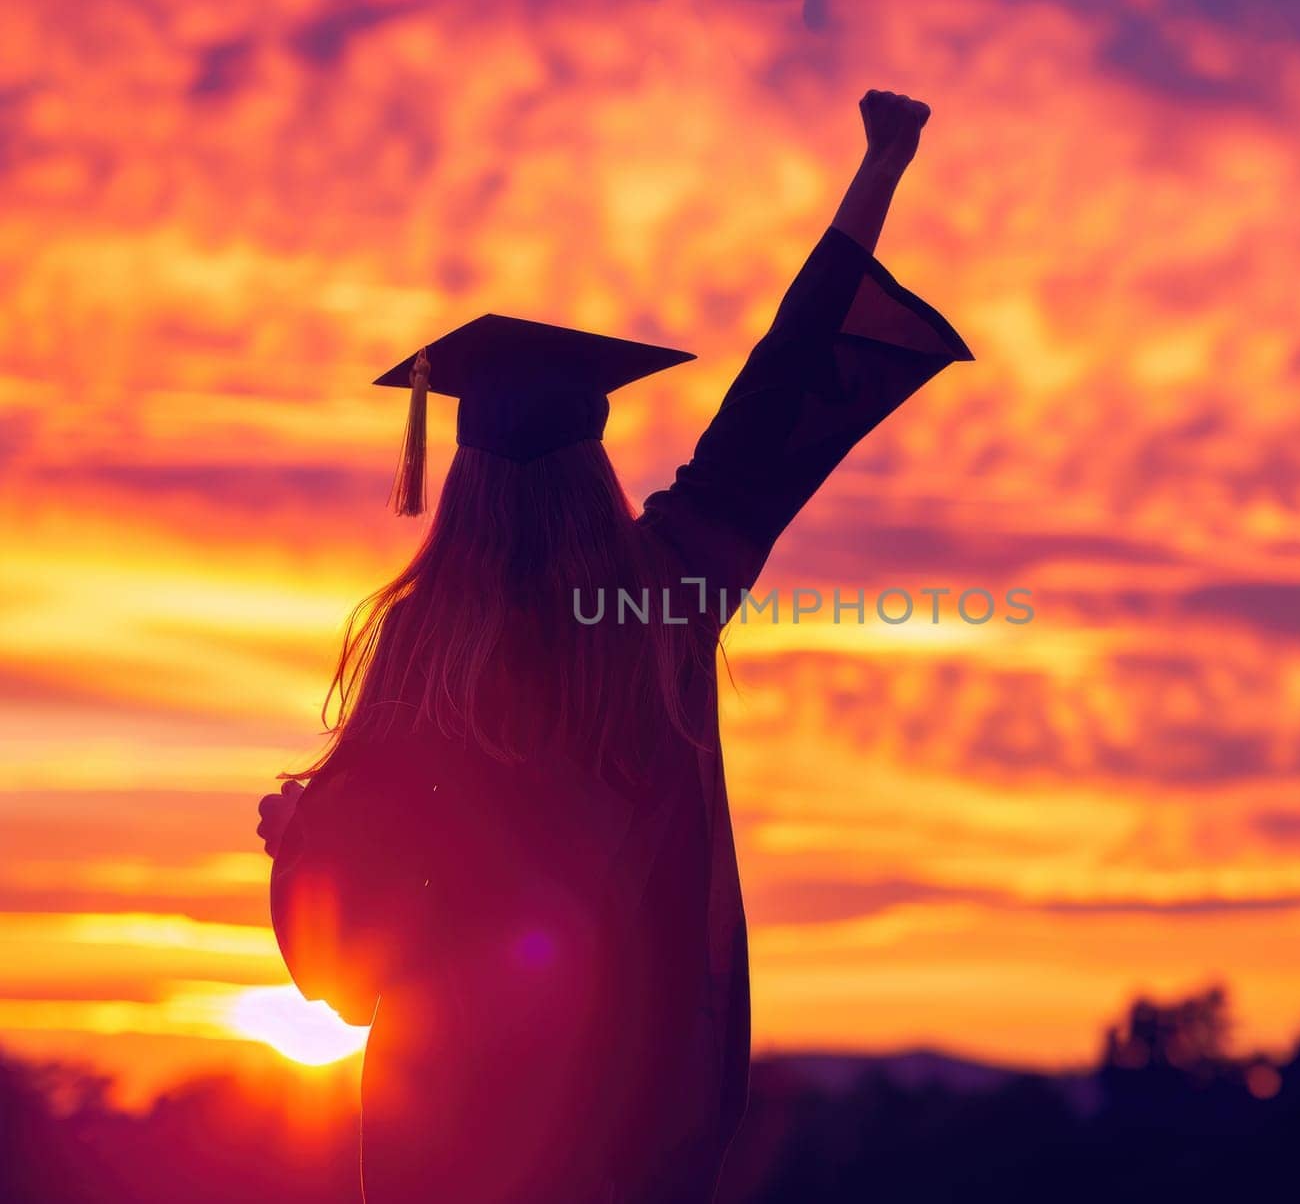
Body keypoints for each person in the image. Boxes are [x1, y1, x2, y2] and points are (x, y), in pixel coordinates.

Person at [257, 88, 973, 1204]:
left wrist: (301, 835)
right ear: (590, 456)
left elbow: (346, 970)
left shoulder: (422, 645)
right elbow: (774, 399)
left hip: (445, 1128)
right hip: (627, 1121)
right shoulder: (667, 598)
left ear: (461, 471)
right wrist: (878, 171)